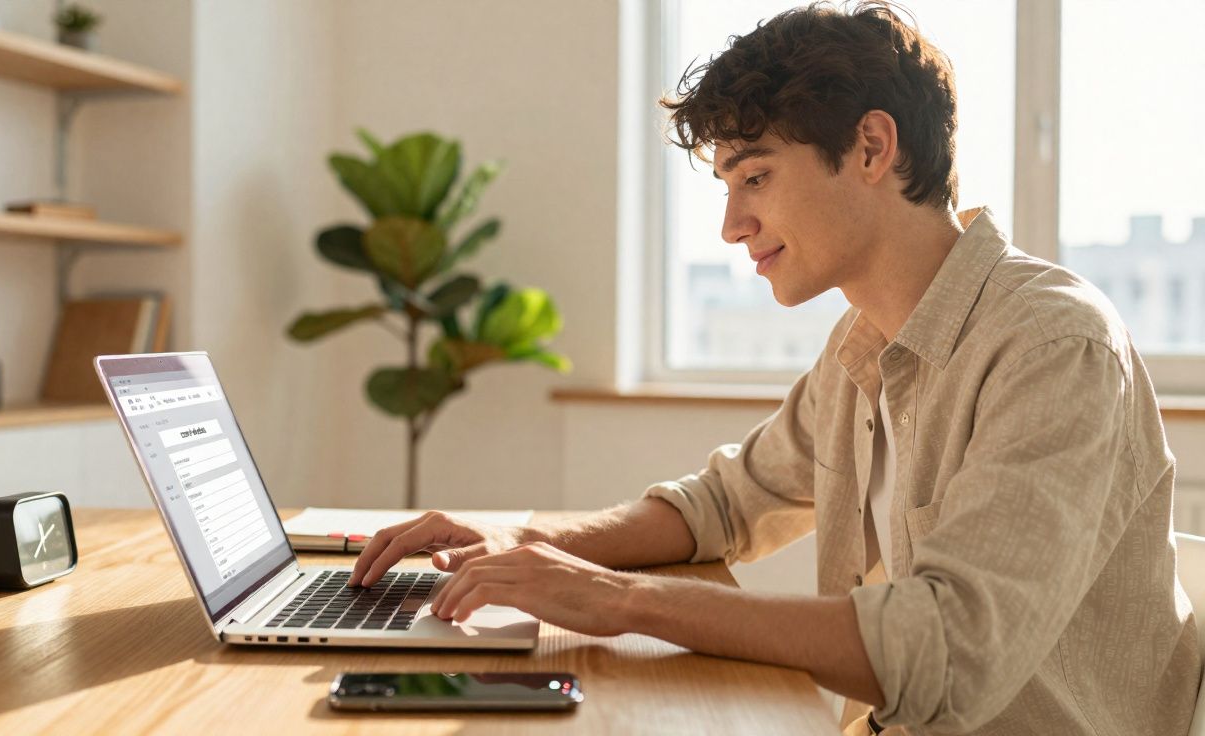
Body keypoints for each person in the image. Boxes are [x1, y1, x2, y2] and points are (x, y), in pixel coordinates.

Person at [349, 2, 1200, 733]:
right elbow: (723, 505)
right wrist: (522, 541)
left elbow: (947, 653)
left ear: (872, 148)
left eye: (754, 176)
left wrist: (622, 603)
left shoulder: (1054, 347)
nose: (730, 225)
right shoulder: (864, 344)